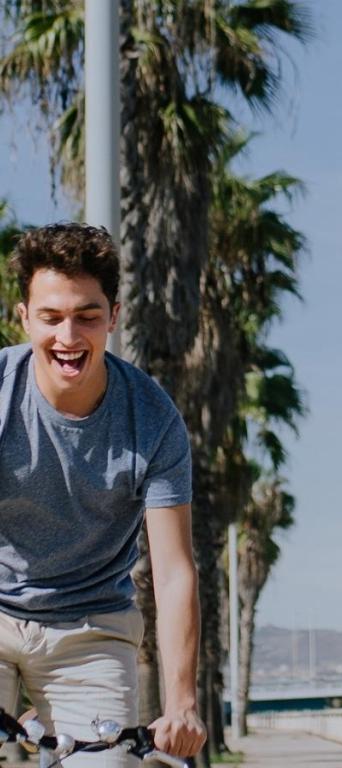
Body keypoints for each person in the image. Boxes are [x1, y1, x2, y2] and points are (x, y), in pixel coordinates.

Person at [0, 223, 206, 764]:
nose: (68, 336)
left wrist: (182, 703)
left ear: (113, 317)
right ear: (23, 318)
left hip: (91, 629)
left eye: (87, 317)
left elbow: (174, 569)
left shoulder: (153, 419)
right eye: (50, 318)